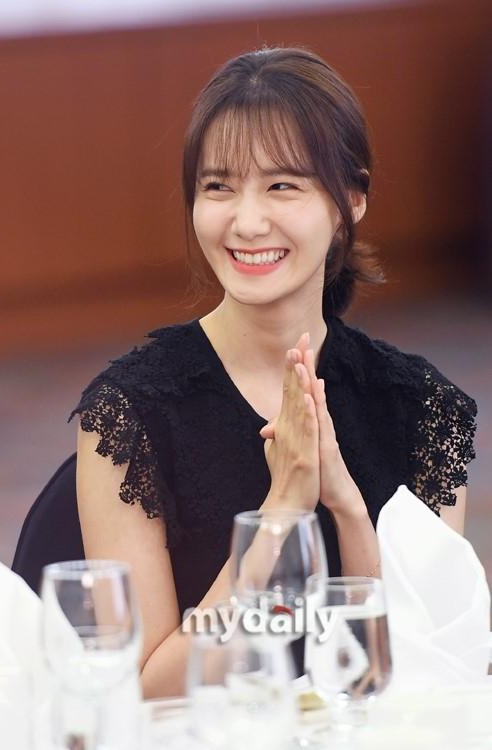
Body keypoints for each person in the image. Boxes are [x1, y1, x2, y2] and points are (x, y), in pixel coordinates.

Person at [70, 46, 476, 698]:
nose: (247, 220)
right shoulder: (129, 414)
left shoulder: (422, 409)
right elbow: (146, 691)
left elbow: (422, 671)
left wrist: (346, 507)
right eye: (218, 187)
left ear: (352, 198)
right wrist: (280, 511)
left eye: (282, 185)